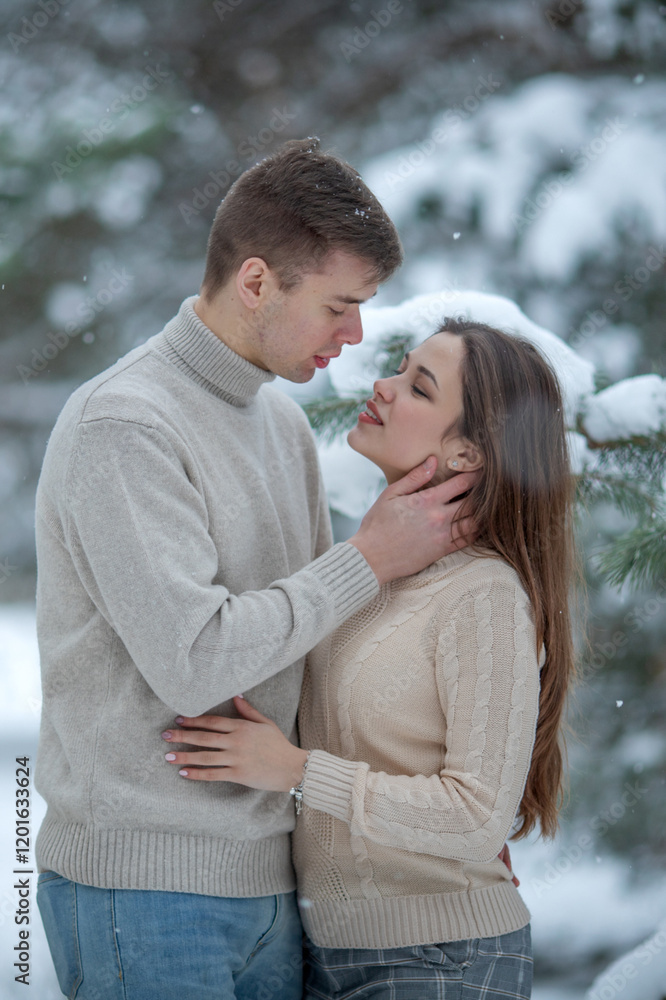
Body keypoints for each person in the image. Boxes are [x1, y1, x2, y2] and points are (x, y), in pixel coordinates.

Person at [34, 139, 479, 1000]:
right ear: (255, 282)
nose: (355, 337)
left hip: (270, 884)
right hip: (146, 888)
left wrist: (439, 813)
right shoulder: (126, 425)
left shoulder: (277, 425)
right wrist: (367, 558)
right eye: (339, 306)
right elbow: (194, 660)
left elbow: (313, 646)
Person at [163, 318, 577, 999]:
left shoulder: (484, 595)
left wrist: (294, 770)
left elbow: (475, 818)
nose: (381, 386)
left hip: (443, 959)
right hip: (326, 950)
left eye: (418, 386)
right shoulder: (365, 570)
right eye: (400, 368)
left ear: (470, 453)